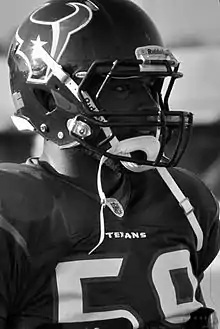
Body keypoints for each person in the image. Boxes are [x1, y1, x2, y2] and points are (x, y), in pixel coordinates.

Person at [2, 0, 220, 328]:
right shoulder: (11, 210)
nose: (148, 106)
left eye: (149, 86)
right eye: (119, 86)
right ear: (48, 98)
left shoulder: (184, 197)